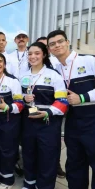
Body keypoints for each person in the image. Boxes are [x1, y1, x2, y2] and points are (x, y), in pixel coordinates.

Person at [47, 30, 95, 189]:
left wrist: (83, 98)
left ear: (67, 42)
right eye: (52, 44)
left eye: (60, 41)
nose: (57, 45)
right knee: (74, 161)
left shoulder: (91, 61)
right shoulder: (54, 70)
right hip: (73, 121)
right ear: (50, 49)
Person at [19, 42, 68, 189]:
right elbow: (18, 98)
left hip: (48, 121)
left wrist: (48, 113)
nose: (32, 56)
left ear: (44, 55)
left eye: (37, 53)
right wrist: (24, 99)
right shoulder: (23, 75)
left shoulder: (53, 75)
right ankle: (29, 182)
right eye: (30, 53)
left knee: (47, 156)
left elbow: (62, 101)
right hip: (28, 120)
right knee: (29, 152)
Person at [0, 53, 24, 189]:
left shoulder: (12, 81)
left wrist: (6, 107)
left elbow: (20, 104)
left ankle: (8, 178)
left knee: (7, 149)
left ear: (5, 64)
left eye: (0, 61)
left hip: (9, 120)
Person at [36, 36, 66, 179]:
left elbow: (60, 99)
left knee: (51, 146)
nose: (36, 55)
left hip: (53, 112)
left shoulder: (55, 66)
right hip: (33, 113)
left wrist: (50, 111)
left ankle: (55, 167)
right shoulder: (28, 68)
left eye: (42, 48)